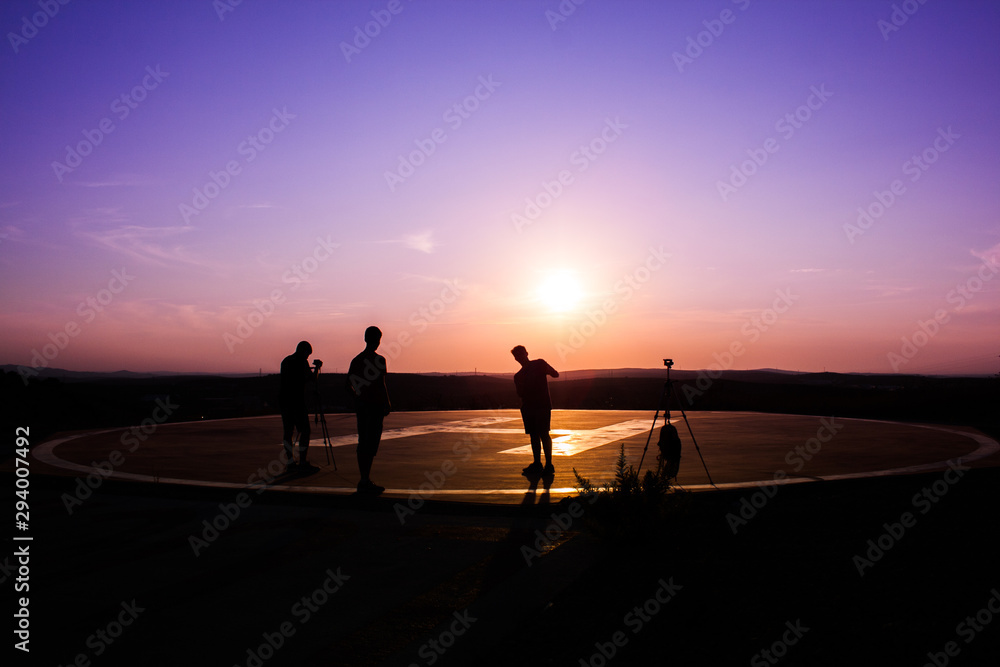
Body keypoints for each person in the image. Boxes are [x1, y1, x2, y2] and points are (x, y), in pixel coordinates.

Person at [347, 326, 391, 494]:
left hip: (364, 407)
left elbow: (348, 385)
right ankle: (365, 479)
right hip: (374, 407)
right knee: (370, 443)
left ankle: (364, 478)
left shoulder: (357, 360)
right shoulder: (379, 360)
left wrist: (358, 399)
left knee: (364, 442)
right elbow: (381, 384)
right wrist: (386, 402)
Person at [510, 345, 559, 475]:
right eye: (517, 356)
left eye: (520, 354)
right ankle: (539, 463)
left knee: (542, 434)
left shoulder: (538, 365)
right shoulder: (519, 375)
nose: (519, 357)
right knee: (534, 435)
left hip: (540, 406)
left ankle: (547, 464)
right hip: (530, 407)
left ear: (526, 353)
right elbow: (520, 394)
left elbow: (555, 374)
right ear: (516, 358)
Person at [279, 341, 322, 472]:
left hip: (285, 401)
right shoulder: (301, 362)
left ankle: (290, 461)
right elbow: (311, 379)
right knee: (305, 431)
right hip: (297, 402)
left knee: (288, 432)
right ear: (304, 351)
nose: (308, 357)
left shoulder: (286, 361)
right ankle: (302, 461)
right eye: (307, 354)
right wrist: (317, 369)